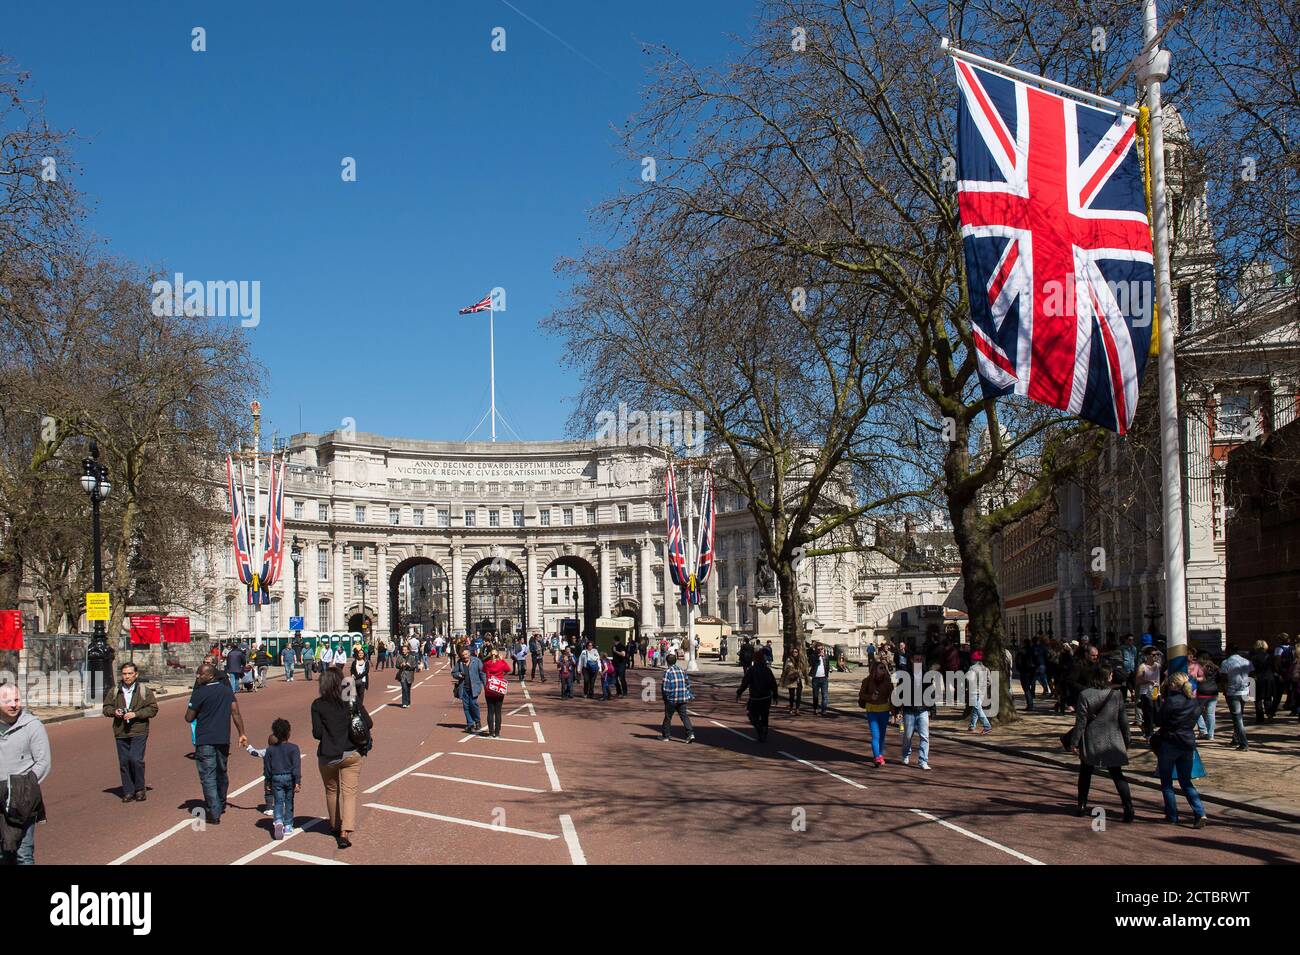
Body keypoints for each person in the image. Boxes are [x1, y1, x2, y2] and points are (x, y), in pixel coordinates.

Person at [311, 668, 371, 850]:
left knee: (331, 791)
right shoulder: (350, 701)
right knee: (350, 792)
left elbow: (317, 733)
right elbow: (368, 723)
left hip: (329, 754)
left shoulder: (318, 705)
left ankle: (335, 825)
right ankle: (346, 831)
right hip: (351, 752)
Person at [1065, 665, 1134, 822]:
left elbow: (1080, 723)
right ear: (1108, 677)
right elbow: (1124, 721)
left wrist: (1074, 743)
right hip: (1112, 739)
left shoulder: (1085, 694)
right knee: (1117, 774)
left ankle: (1081, 805)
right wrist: (1127, 740)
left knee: (1085, 772)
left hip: (1091, 739)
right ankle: (1128, 807)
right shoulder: (1116, 695)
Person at [184, 663, 248, 825]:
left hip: (205, 738)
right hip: (223, 737)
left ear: (210, 676)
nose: (197, 677)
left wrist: (197, 710)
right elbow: (236, 712)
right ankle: (221, 801)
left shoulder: (199, 693)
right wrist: (241, 733)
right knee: (221, 771)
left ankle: (214, 811)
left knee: (208, 775)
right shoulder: (226, 691)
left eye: (200, 674)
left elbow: (189, 717)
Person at [0, 683, 51, 865]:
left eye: (16, 699)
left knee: (23, 854)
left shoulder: (32, 725)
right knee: (3, 854)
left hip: (22, 799)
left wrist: (26, 787)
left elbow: (43, 762)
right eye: (7, 701)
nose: (13, 704)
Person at [1152, 672, 1208, 827]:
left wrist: (1157, 703)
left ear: (1173, 685)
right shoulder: (1194, 702)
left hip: (1170, 742)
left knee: (1167, 783)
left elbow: (1159, 720)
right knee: (1186, 781)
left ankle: (1172, 815)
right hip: (1187, 742)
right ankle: (1199, 812)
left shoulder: (1171, 701)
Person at [102, 661, 158, 803]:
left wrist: (136, 714)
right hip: (121, 730)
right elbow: (106, 708)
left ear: (136, 674)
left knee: (135, 759)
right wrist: (115, 712)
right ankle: (128, 790)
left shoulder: (144, 691)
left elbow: (153, 709)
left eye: (130, 674)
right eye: (124, 674)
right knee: (124, 762)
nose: (127, 677)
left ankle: (139, 789)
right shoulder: (115, 691)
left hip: (139, 729)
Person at [263, 718, 301, 840]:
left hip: (276, 777)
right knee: (289, 801)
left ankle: (278, 820)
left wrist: (268, 781)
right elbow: (296, 766)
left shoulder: (270, 750)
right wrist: (297, 781)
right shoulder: (294, 748)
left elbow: (267, 767)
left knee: (278, 801)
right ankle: (288, 824)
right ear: (288, 733)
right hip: (289, 777)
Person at [899, 650, 932, 770]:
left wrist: (932, 709)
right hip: (909, 710)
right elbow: (900, 693)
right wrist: (898, 710)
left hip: (923, 710)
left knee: (925, 736)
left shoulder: (926, 674)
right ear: (912, 660)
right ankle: (906, 754)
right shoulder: (905, 675)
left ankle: (923, 760)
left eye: (920, 660)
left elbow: (931, 693)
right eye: (916, 659)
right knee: (908, 736)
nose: (919, 662)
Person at [858, 660, 893, 766]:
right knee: (875, 736)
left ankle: (880, 754)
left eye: (884, 668)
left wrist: (895, 713)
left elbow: (892, 698)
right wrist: (870, 697)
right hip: (872, 711)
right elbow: (861, 695)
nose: (883, 670)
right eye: (881, 668)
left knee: (882, 736)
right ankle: (877, 757)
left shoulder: (888, 682)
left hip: (884, 711)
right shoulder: (867, 681)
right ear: (875, 670)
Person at [736, 652, 778, 741]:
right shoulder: (767, 670)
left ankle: (759, 729)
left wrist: (739, 692)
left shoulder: (751, 670)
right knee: (764, 715)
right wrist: (775, 695)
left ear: (754, 659)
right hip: (766, 697)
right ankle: (764, 731)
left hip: (755, 697)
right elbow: (773, 683)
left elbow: (745, 683)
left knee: (752, 715)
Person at [1219, 645, 1253, 750]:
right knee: (1238, 716)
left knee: (1237, 718)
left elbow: (1223, 679)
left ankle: (1243, 743)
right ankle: (1236, 738)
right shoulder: (1246, 661)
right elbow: (1252, 676)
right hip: (1245, 691)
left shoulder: (1226, 662)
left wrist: (1224, 691)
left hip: (1233, 692)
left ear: (1229, 651)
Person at [659, 654, 695, 742]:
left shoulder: (668, 672)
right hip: (682, 697)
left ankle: (666, 735)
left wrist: (665, 697)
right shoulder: (682, 670)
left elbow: (665, 687)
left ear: (667, 662)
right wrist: (687, 694)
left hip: (672, 698)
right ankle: (690, 734)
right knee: (684, 716)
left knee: (668, 717)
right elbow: (687, 684)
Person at [453, 647, 485, 733]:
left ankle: (477, 721)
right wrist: (459, 674)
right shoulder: (459, 663)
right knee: (466, 706)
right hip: (463, 688)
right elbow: (454, 673)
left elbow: (482, 673)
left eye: (466, 654)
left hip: (474, 687)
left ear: (469, 654)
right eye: (463, 655)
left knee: (473, 704)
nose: (465, 657)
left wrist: (486, 684)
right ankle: (470, 723)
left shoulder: (476, 661)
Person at [483, 648, 510, 737]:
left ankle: (491, 732)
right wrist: (502, 660)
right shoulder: (501, 663)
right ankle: (497, 732)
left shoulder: (487, 664)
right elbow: (508, 669)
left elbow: (483, 670)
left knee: (490, 711)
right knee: (498, 712)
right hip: (499, 689)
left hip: (489, 689)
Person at [1250, 639, 1278, 724]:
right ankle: (1270, 715)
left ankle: (1259, 717)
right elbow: (1275, 667)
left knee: (1257, 699)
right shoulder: (1270, 656)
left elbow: (1251, 669)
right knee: (1268, 698)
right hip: (1269, 678)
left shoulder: (1253, 657)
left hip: (1257, 679)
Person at [1135, 646, 1161, 737]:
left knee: (1157, 712)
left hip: (1156, 692)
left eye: (1157, 654)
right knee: (1148, 712)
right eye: (1153, 654)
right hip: (1145, 692)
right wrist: (1148, 681)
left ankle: (1150, 729)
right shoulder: (1142, 667)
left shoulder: (1158, 665)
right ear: (1147, 656)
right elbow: (1138, 681)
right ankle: (1149, 733)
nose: (1156, 656)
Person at [967, 650, 993, 734]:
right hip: (982, 691)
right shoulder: (986, 668)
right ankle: (972, 725)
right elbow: (989, 681)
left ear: (974, 659)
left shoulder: (972, 668)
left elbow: (968, 680)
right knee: (976, 708)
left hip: (974, 691)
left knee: (978, 708)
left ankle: (987, 726)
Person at [808, 642, 831, 717]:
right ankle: (815, 709)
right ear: (816, 650)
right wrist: (818, 656)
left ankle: (823, 710)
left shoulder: (826, 656)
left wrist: (827, 674)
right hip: (816, 678)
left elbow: (827, 666)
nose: (821, 650)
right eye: (819, 649)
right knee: (815, 695)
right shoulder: (813, 656)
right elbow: (811, 663)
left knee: (825, 695)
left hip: (824, 678)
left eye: (822, 649)